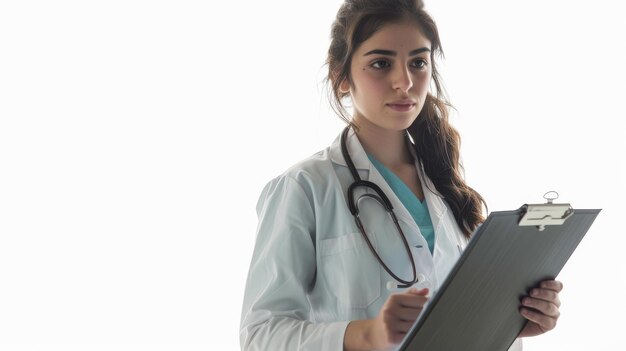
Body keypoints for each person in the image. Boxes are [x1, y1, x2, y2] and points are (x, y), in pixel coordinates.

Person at [239, 0, 563, 350]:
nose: (404, 82)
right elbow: (260, 335)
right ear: (341, 76)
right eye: (381, 63)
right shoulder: (303, 188)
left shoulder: (446, 185)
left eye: (418, 63)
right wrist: (366, 334)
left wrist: (510, 322)